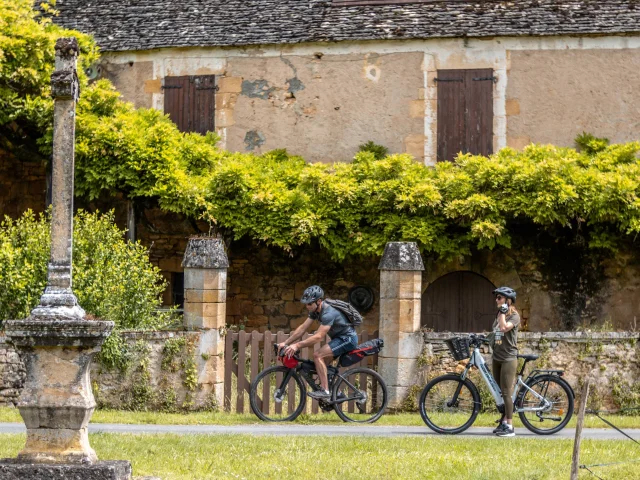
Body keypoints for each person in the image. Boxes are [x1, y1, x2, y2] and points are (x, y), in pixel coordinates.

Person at [277, 285, 358, 400]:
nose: (307, 306)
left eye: (309, 304)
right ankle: (337, 393)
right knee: (322, 364)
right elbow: (302, 328)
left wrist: (297, 345)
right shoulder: (315, 311)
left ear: (319, 301)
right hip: (338, 339)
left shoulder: (328, 313)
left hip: (348, 339)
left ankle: (325, 391)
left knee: (317, 355)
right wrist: (286, 342)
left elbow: (319, 337)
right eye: (306, 303)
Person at [490, 286, 521, 437]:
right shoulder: (499, 314)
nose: (496, 300)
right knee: (499, 391)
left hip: (508, 357)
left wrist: (503, 312)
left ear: (507, 301)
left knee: (506, 392)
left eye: (499, 297)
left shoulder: (514, 316)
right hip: (497, 357)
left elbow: (503, 328)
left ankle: (510, 426)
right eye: (496, 297)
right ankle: (503, 422)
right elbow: (496, 333)